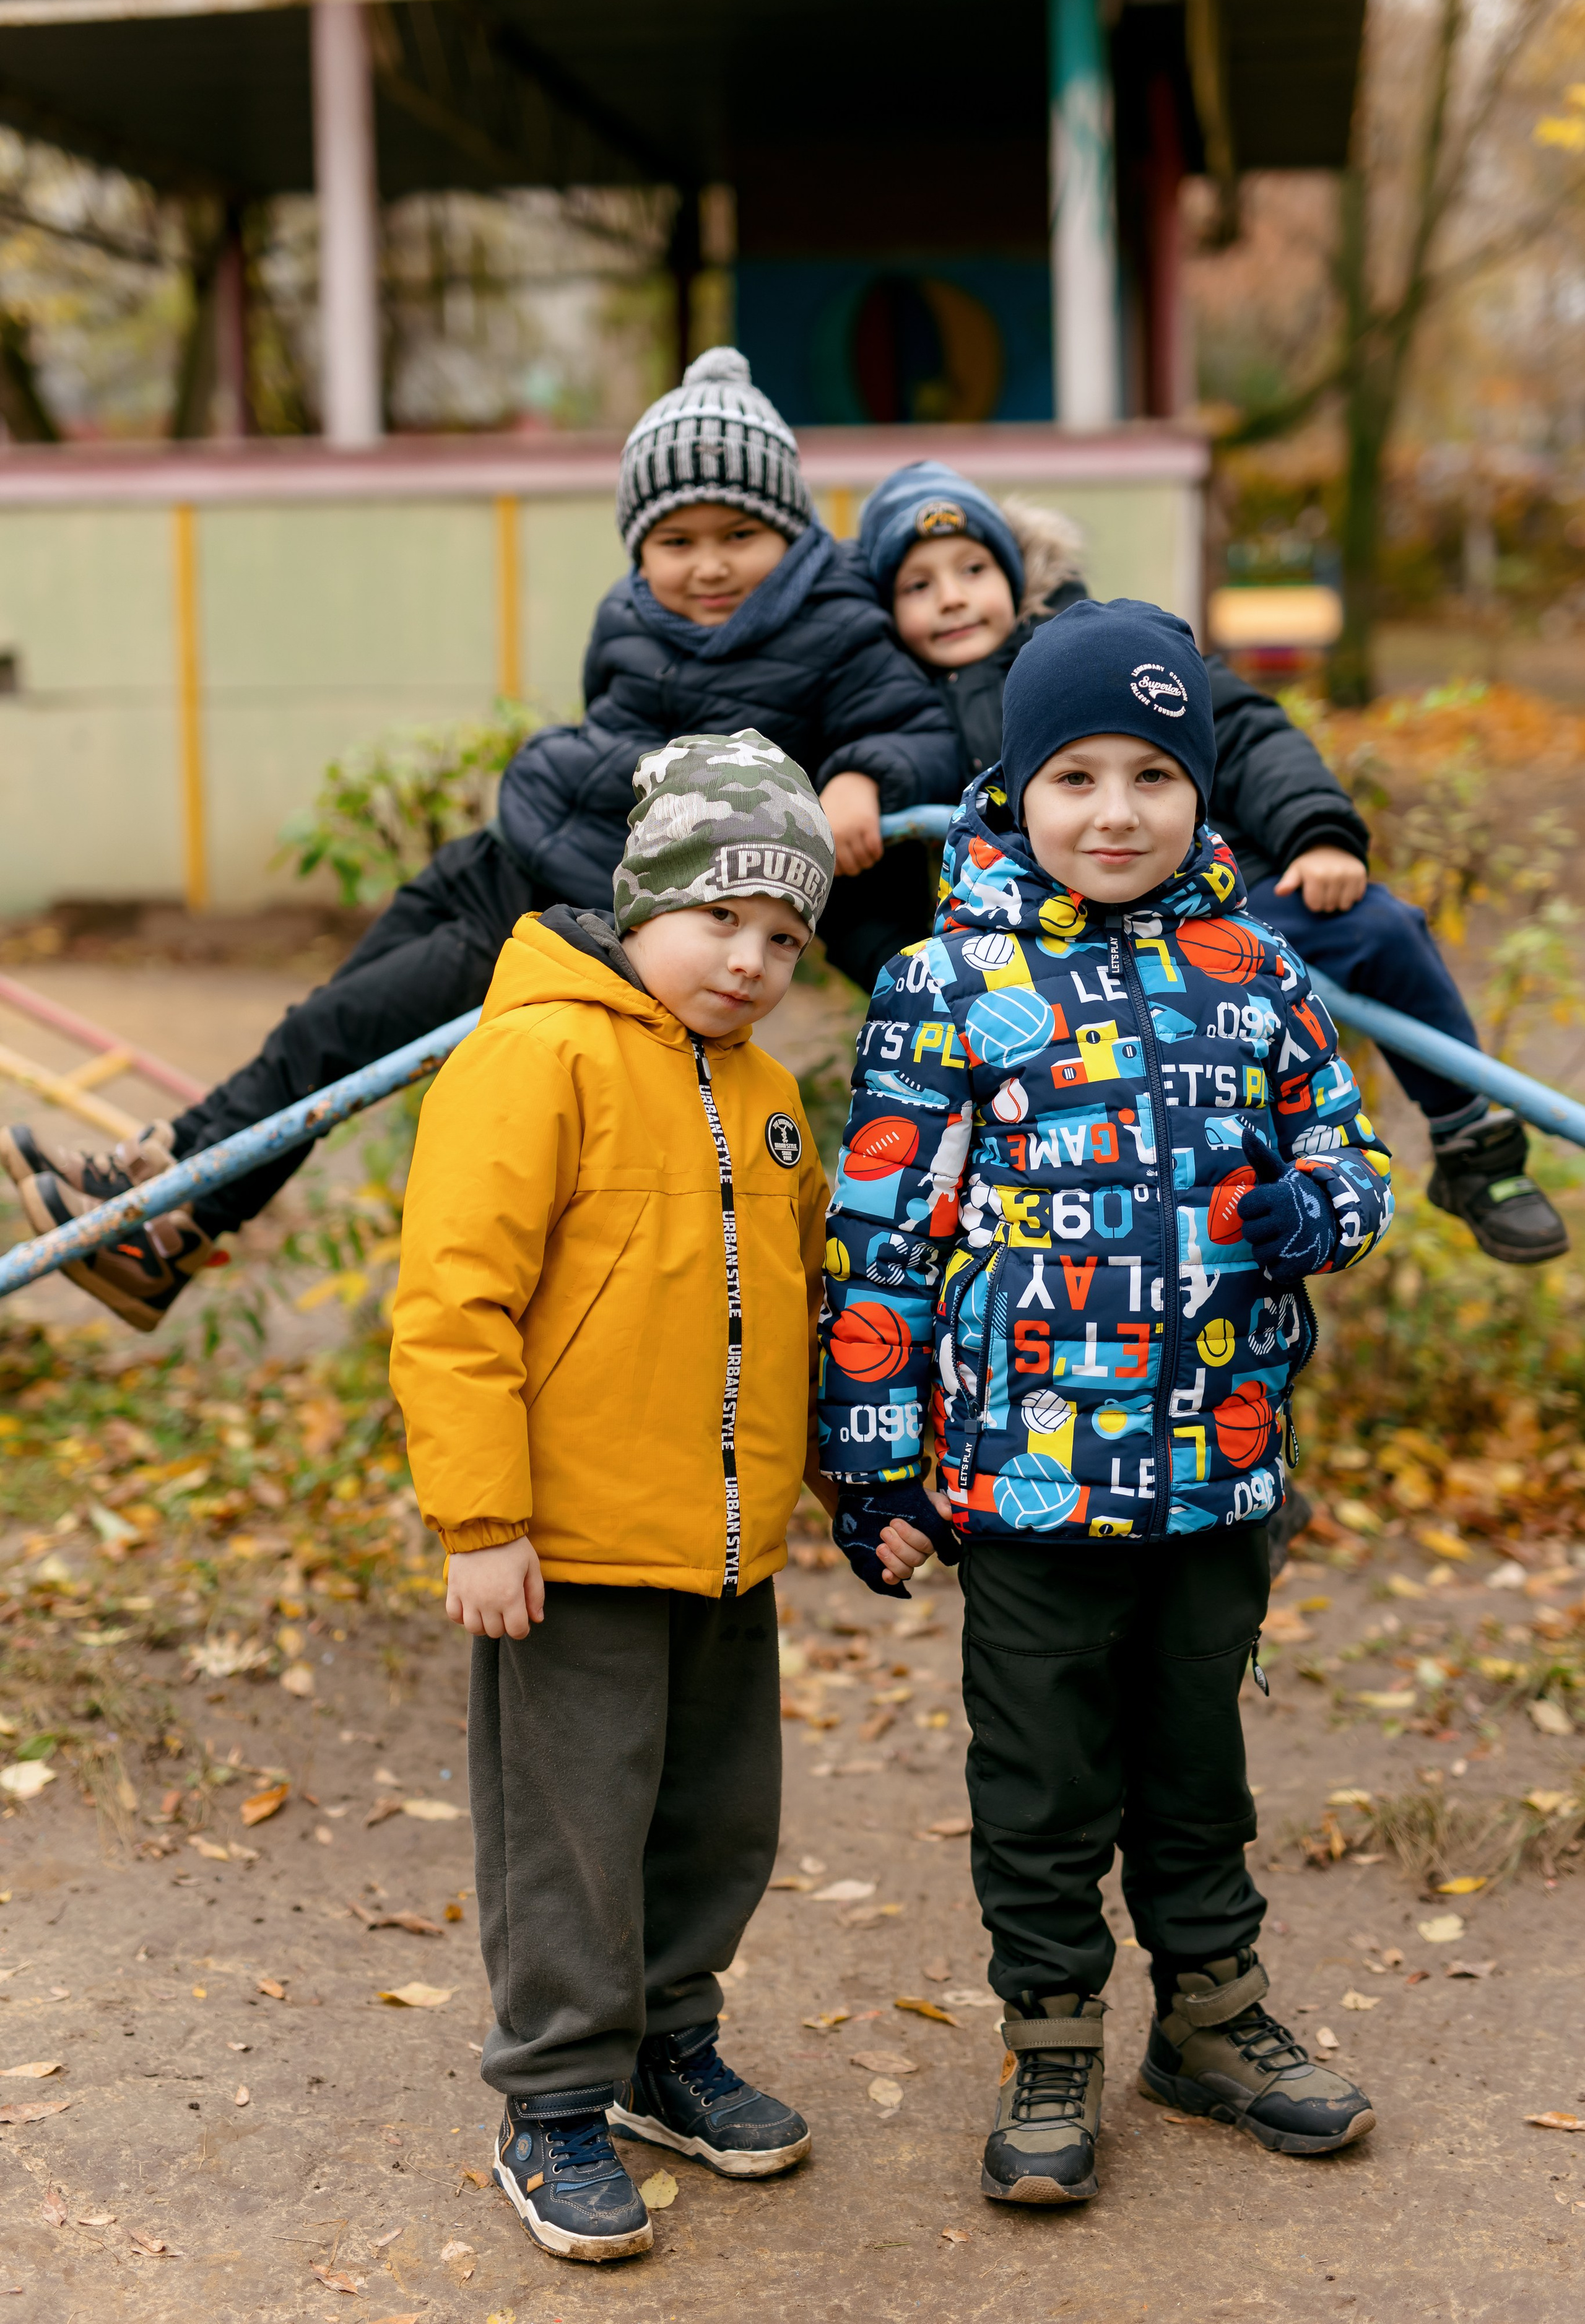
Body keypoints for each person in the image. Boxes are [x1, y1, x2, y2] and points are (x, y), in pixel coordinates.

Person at [1, 350, 957, 1331]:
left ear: (790, 532)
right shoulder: (629, 619)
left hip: (558, 912)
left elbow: (914, 729)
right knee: (319, 1025)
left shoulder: (835, 624)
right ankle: (171, 1188)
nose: (708, 565)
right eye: (676, 540)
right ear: (639, 547)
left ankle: (171, 1220)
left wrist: (858, 781)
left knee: (345, 1036)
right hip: (500, 857)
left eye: (739, 534)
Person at [819, 599, 1392, 2209]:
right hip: (1020, 1480)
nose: (1117, 811)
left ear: (1205, 792)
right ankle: (1053, 2033)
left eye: (1155, 774)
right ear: (1015, 789)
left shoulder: (1258, 976)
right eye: (1075, 775)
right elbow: (884, 1238)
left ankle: (1210, 2020)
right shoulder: (946, 979)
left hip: (1215, 1469)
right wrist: (872, 1469)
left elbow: (1348, 1153)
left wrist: (1321, 1212)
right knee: (1046, 1773)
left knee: (1197, 1761)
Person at [389, 734, 833, 2265]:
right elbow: (456, 1302)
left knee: (713, 1821)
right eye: (721, 917)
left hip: (723, 1549)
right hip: (563, 1546)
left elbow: (791, 1301)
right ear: (639, 899)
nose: (752, 958)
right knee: (572, 1829)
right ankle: (555, 2098)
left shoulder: (770, 1094)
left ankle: (664, 2046)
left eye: (785, 937)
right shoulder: (535, 1056)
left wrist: (833, 1483)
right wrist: (480, 1520)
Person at [856, 457, 1567, 1272]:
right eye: (918, 586)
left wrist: (1317, 833)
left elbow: (1254, 736)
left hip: (1237, 891)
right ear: (884, 611)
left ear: (1018, 572)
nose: (950, 596)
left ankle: (1472, 1141)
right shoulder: (907, 709)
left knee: (1377, 927)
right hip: (1063, 946)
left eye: (973, 569)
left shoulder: (1117, 650)